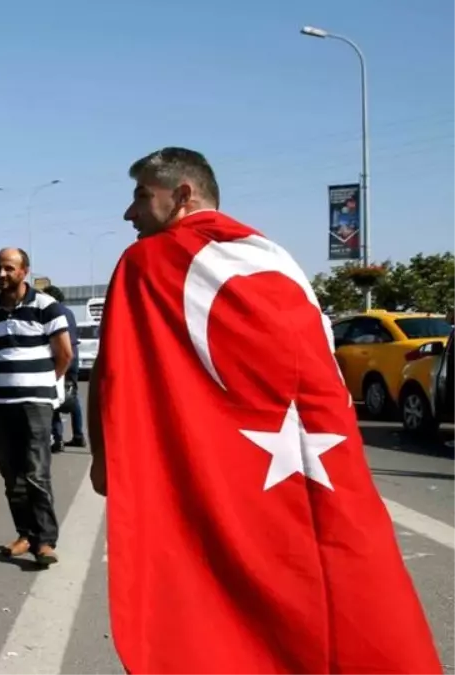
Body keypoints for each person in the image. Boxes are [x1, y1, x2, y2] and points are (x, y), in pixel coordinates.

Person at [88, 147, 441, 673]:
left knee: (218, 585)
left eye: (142, 196)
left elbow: (114, 374)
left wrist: (103, 456)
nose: (129, 213)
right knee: (333, 578)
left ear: (182, 196)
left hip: (237, 463)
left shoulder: (149, 262)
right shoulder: (273, 255)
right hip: (320, 456)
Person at [0, 247, 74, 567]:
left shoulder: (46, 307)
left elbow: (64, 355)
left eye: (9, 268)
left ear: (24, 271)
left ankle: (45, 541)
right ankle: (25, 535)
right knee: (12, 475)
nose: (2, 274)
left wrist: (45, 386)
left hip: (36, 404)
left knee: (37, 473)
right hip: (0, 404)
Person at [46, 287, 85, 450]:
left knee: (53, 397)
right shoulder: (69, 312)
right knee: (72, 396)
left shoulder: (51, 311)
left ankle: (58, 438)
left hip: (58, 357)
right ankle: (78, 435)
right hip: (73, 357)